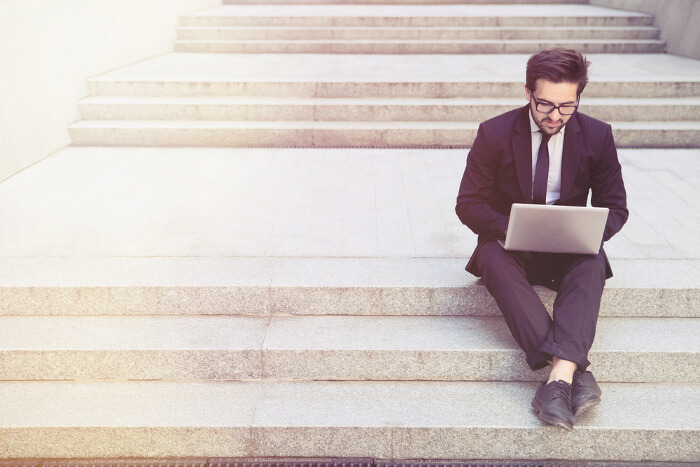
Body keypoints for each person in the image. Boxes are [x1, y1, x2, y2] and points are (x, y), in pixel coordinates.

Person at [455, 48, 628, 431]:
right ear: (527, 92)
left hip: (567, 249)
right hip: (508, 245)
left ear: (579, 96)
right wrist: (509, 228)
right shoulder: (495, 132)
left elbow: (616, 207)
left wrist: (586, 231)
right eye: (544, 104)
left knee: (593, 259)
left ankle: (557, 380)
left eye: (567, 106)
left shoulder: (597, 136)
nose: (554, 116)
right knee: (493, 259)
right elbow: (468, 204)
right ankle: (570, 373)